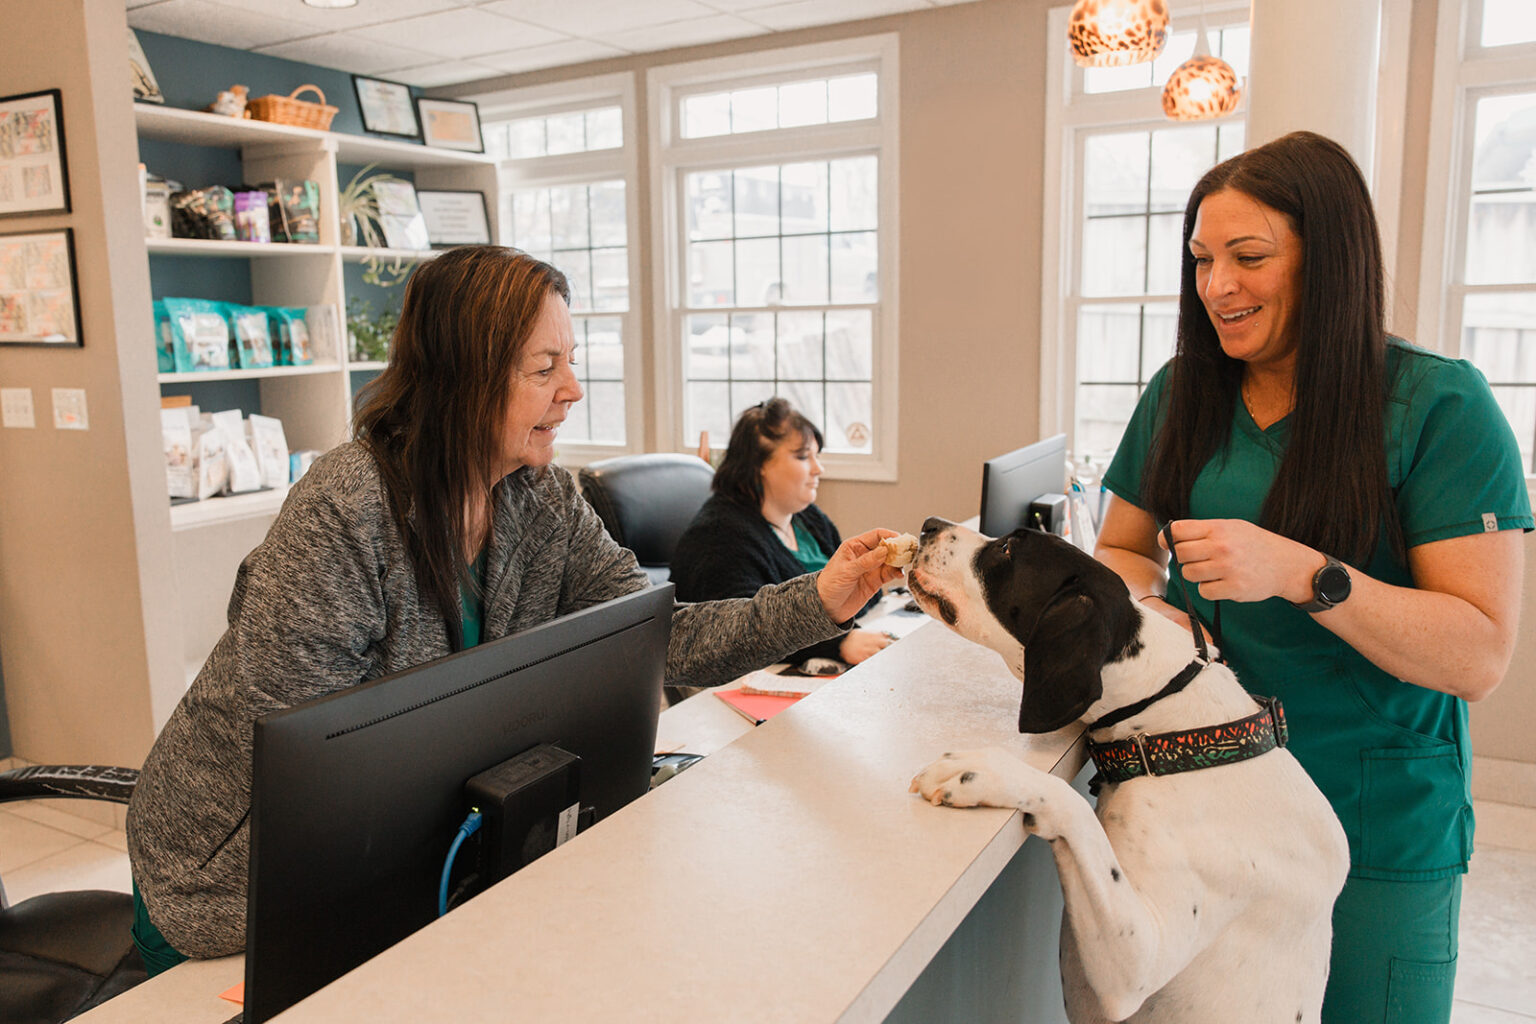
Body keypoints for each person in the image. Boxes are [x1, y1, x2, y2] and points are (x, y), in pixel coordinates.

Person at [125, 248, 902, 971]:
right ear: (464, 377)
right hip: (232, 893)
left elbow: (659, 634)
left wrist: (822, 600)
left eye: (570, 363)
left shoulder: (543, 499)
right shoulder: (346, 509)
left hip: (399, 876)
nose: (572, 390)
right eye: (544, 368)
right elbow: (316, 769)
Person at [1093, 130, 1530, 1024]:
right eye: (1203, 259)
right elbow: (1123, 552)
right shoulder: (1182, 393)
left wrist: (1306, 576)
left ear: (1329, 261)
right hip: (1196, 800)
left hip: (1371, 818)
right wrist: (1150, 606)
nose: (1217, 285)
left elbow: (1476, 656)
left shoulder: (1441, 407)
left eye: (1249, 256)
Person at [670, 398, 894, 668]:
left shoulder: (807, 518)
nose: (818, 468)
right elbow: (739, 637)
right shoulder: (717, 539)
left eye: (816, 455)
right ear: (758, 464)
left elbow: (861, 594)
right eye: (802, 457)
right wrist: (838, 643)